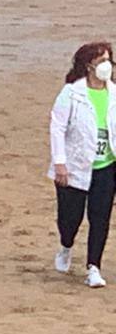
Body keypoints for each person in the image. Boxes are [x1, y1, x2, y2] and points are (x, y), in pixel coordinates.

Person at [48, 42, 116, 288]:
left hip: (105, 167)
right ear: (88, 66)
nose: (106, 66)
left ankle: (93, 267)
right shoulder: (71, 93)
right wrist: (60, 163)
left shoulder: (114, 94)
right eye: (101, 61)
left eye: (109, 60)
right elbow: (57, 127)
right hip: (75, 167)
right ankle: (66, 245)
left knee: (100, 217)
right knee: (70, 218)